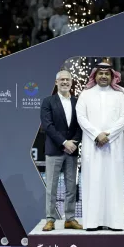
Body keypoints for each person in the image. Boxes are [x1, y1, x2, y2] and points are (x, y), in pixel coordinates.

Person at [75, 62, 124, 231]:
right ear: (95, 76)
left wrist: (109, 135)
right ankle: (92, 222)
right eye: (100, 73)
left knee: (114, 183)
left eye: (107, 73)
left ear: (113, 77)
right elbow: (81, 117)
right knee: (93, 181)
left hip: (114, 146)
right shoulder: (85, 94)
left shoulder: (120, 95)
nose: (104, 76)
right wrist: (97, 134)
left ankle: (115, 223)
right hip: (93, 146)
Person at [40, 70, 83, 231]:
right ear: (56, 82)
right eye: (62, 79)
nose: (65, 82)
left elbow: (81, 125)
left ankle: (70, 219)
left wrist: (74, 143)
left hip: (72, 151)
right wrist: (64, 142)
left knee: (71, 187)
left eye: (67, 79)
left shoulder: (77, 102)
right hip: (54, 151)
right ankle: (50, 219)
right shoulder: (48, 101)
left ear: (71, 83)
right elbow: (48, 126)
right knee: (51, 187)